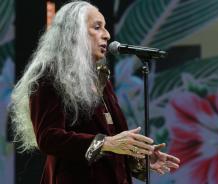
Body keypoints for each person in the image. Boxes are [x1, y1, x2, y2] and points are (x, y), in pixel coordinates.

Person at [10, 1, 179, 184]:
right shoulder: (49, 75)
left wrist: (138, 158)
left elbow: (111, 140)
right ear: (74, 33)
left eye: (105, 28)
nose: (107, 35)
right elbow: (48, 137)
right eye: (97, 27)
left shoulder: (100, 78)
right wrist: (105, 143)